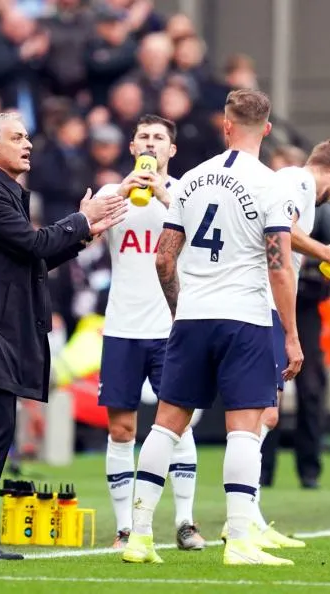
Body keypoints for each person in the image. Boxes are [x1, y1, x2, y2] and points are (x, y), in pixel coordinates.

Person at [122, 89, 302, 566]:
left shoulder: (191, 181)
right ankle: (240, 539)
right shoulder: (271, 185)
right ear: (265, 129)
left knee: (165, 426)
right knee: (244, 428)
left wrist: (181, 309)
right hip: (243, 318)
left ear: (225, 126)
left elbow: (164, 258)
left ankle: (138, 538)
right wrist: (291, 335)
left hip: (192, 317)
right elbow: (280, 266)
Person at [0, 112, 128, 560]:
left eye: (27, 136)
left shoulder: (2, 191)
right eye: (17, 137)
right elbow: (33, 247)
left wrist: (83, 234)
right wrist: (81, 221)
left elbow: (33, 259)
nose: (28, 144)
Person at [239, 139, 330, 550]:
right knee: (258, 416)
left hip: (264, 306)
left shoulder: (294, 184)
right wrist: (325, 249)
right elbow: (283, 231)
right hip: (262, 307)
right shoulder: (299, 184)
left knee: (264, 415)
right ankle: (240, 519)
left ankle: (248, 516)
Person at [95, 114, 205, 550]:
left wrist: (164, 196)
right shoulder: (110, 193)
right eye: (144, 137)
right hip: (122, 325)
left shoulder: (185, 195)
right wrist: (116, 198)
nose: (151, 143)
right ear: (132, 146)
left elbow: (200, 245)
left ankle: (184, 522)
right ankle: (125, 528)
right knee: (121, 430)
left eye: (159, 138)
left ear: (171, 151)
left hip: (171, 326)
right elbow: (80, 240)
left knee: (178, 427)